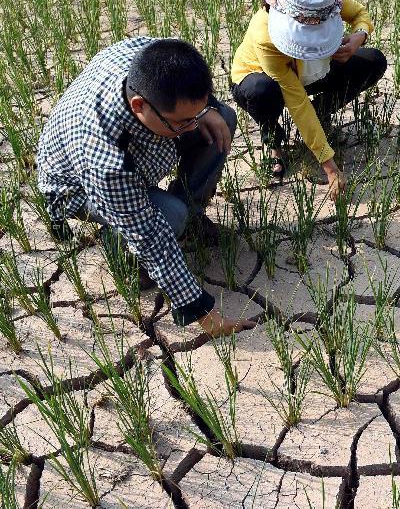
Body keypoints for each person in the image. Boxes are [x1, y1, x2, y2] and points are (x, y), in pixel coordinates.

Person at [36, 37, 255, 338]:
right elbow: (150, 235)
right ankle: (120, 246)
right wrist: (204, 313)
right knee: (169, 219)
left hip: (136, 154)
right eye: (183, 122)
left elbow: (191, 97)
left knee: (222, 118)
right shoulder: (104, 157)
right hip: (78, 189)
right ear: (139, 105)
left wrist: (207, 110)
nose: (192, 125)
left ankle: (190, 215)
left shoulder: (149, 56)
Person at [230, 0, 387, 196]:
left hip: (310, 69)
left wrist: (358, 38)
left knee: (373, 61)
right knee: (262, 91)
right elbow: (296, 101)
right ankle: (272, 138)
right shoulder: (265, 34)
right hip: (261, 78)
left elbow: (359, 15)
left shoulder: (323, 0)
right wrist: (330, 167)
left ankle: (321, 112)